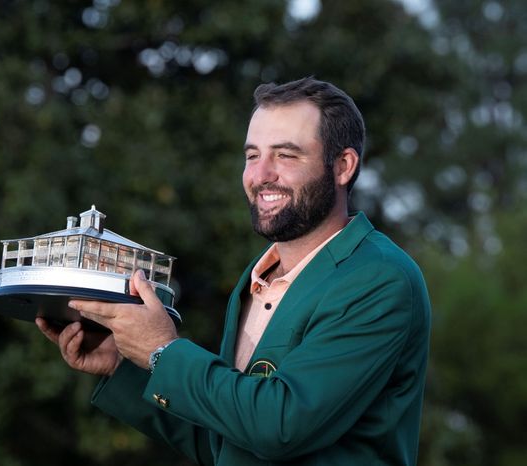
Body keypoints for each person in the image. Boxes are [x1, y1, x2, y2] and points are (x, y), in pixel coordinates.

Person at [36, 76, 431, 465]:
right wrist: (124, 365)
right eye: (252, 155)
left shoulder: (379, 278)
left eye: (285, 155)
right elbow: (225, 443)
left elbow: (280, 426)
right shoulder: (256, 280)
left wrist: (163, 351)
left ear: (343, 166)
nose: (260, 175)